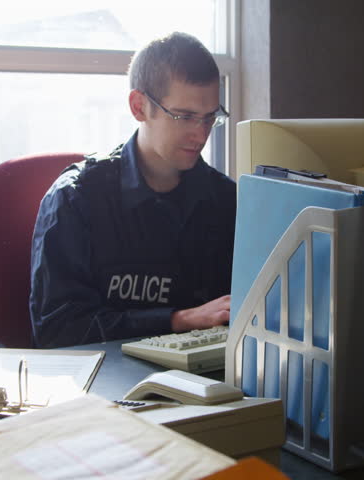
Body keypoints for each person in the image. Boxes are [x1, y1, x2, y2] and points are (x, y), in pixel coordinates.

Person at [29, 32, 236, 348]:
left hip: (205, 379)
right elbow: (58, 329)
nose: (201, 134)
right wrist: (178, 320)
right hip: (104, 382)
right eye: (184, 117)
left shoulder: (226, 200)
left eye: (210, 118)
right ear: (139, 107)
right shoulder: (75, 199)